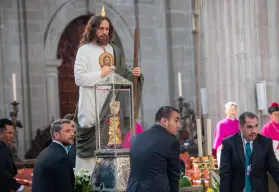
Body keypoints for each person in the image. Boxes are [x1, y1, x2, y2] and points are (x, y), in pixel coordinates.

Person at [74, 7, 144, 172]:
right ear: (93, 29)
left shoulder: (114, 50)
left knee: (110, 158)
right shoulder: (84, 51)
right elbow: (79, 78)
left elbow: (123, 75)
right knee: (90, 161)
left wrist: (135, 75)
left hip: (111, 111)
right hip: (91, 109)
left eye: (107, 29)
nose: (105, 32)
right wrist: (101, 73)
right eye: (101, 28)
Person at [219, 112, 279, 192]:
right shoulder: (229, 143)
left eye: (256, 126)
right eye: (250, 127)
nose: (254, 131)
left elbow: (275, 169)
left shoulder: (265, 142)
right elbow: (225, 174)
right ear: (240, 127)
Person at [127, 106, 181, 192]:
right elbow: (174, 176)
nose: (179, 125)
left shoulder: (137, 138)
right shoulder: (171, 141)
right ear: (164, 121)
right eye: (176, 121)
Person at [32, 119, 75, 192]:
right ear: (56, 135)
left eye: (72, 131)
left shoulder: (45, 151)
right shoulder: (61, 158)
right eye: (67, 131)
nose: (72, 134)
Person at [0, 119, 31, 192]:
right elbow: (2, 172)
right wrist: (20, 188)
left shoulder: (3, 146)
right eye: (9, 133)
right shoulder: (1, 147)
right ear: (0, 134)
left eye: (13, 133)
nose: (12, 136)